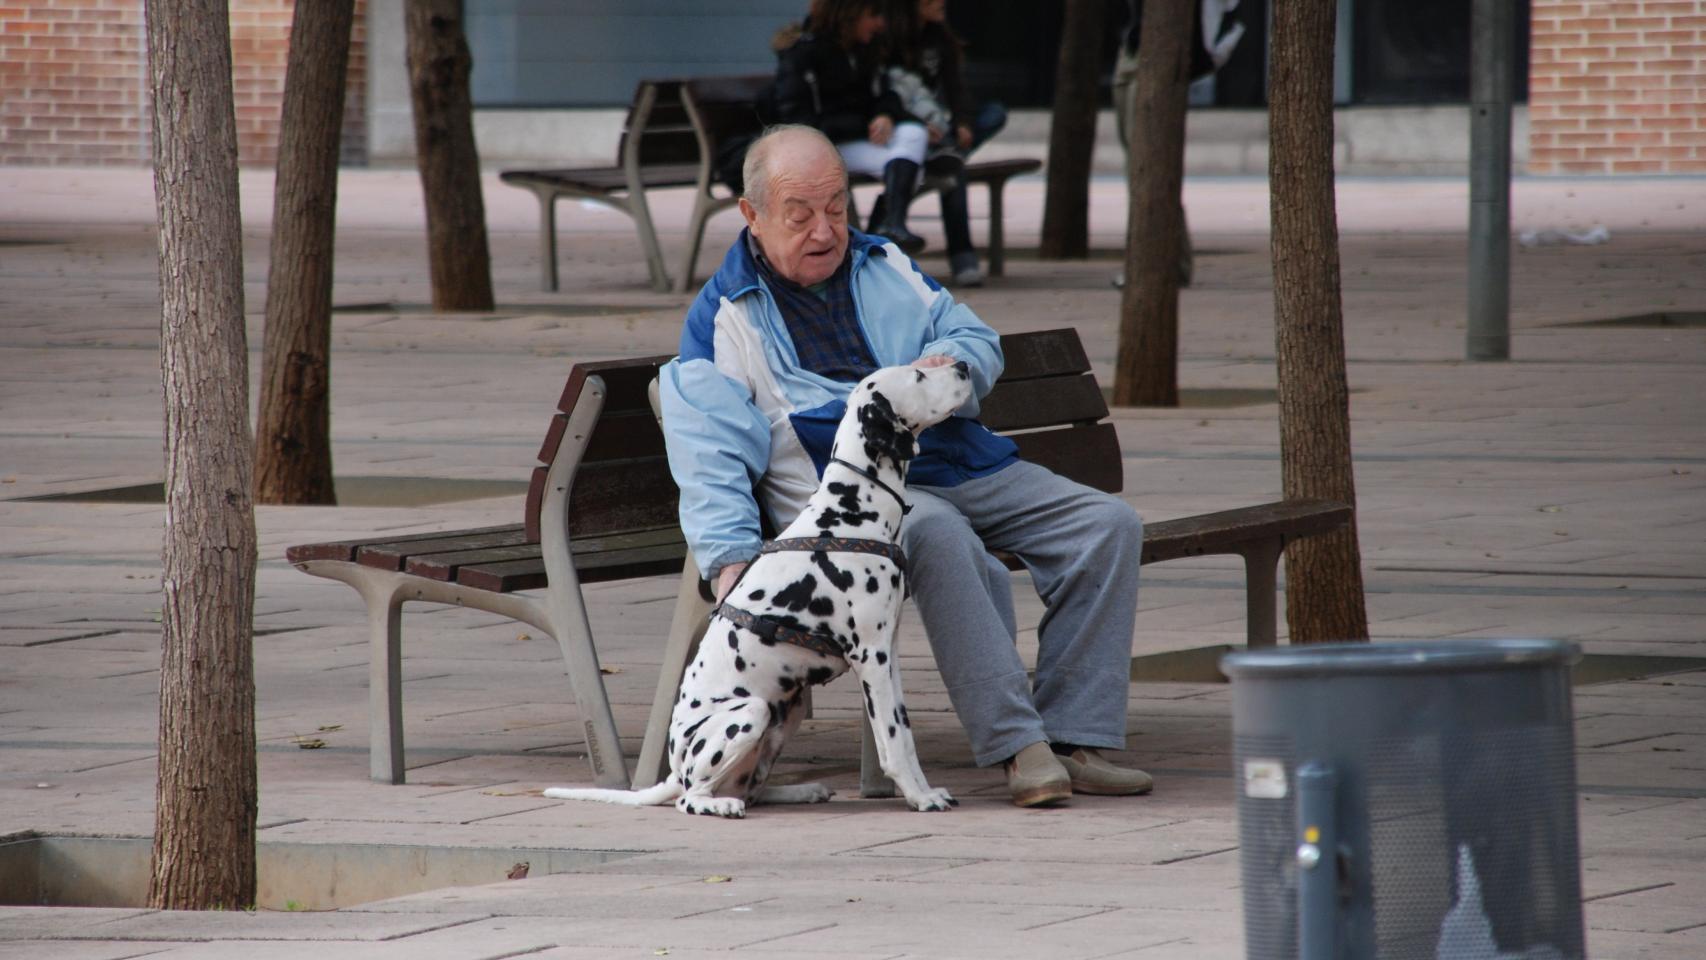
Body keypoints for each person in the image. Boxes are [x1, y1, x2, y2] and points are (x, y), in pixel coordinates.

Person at [657, 124, 1153, 808]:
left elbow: (971, 334)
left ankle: (1075, 736)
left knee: (1108, 524)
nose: (825, 231)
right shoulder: (724, 318)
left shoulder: (884, 262)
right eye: (800, 215)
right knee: (938, 534)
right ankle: (1020, 745)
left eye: (836, 208)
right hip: (854, 507)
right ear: (752, 214)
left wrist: (950, 364)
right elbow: (706, 451)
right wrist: (730, 561)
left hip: (956, 457)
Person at [769, 0, 930, 254]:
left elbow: (885, 93)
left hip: (863, 140)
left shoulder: (865, 51)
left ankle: (891, 224)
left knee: (913, 134)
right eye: (873, 14)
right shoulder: (804, 54)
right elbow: (798, 121)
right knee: (912, 168)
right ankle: (884, 231)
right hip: (825, 148)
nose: (880, 24)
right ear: (849, 13)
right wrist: (862, 124)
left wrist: (885, 115)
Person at [1113, 0, 1245, 287]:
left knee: (1146, 167)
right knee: (1137, 167)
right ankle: (1165, 261)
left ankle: (1162, 264)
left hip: (1159, 53)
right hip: (1133, 49)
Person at [878, 0, 1008, 287]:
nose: (943, 3)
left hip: (937, 127)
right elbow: (882, 99)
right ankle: (963, 256)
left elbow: (957, 89)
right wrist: (916, 122)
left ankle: (941, 156)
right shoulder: (885, 39)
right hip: (901, 129)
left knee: (992, 115)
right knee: (953, 170)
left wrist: (962, 121)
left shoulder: (940, 39)